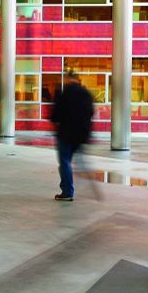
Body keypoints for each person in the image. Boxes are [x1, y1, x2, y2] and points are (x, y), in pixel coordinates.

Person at [49, 71, 94, 201]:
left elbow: (55, 115)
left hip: (66, 134)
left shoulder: (65, 93)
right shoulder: (86, 94)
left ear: (68, 79)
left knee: (64, 162)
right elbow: (90, 113)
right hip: (81, 135)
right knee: (69, 161)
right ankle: (68, 188)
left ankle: (67, 191)